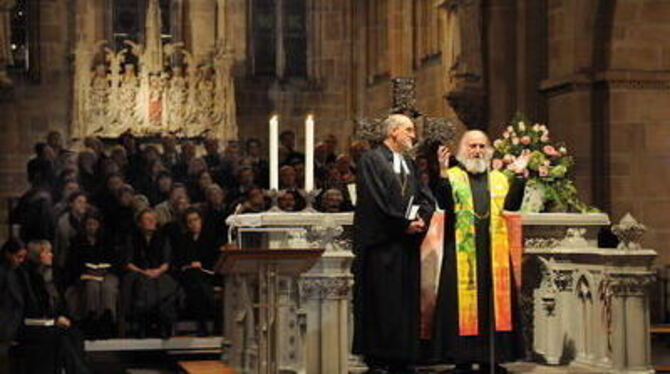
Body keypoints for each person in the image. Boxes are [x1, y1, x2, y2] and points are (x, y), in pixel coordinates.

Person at [431, 130, 529, 374]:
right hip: (462, 251)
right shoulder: (452, 176)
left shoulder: (498, 178)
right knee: (461, 304)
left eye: (482, 146)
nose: (477, 151)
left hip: (493, 252)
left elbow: (512, 207)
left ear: (489, 150)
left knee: (492, 305)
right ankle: (462, 357)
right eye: (472, 146)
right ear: (462, 150)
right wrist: (441, 173)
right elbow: (443, 206)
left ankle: (491, 357)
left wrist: (518, 175)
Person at [352, 114, 434, 374]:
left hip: (405, 246)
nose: (413, 135)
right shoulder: (372, 159)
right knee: (381, 301)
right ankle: (378, 357)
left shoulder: (408, 162)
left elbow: (423, 196)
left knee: (404, 302)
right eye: (409, 130)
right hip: (382, 245)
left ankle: (402, 355)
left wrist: (421, 218)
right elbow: (375, 201)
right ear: (394, 132)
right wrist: (402, 224)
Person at [15, 240, 92, 373]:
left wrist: (62, 316)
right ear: (38, 255)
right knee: (60, 337)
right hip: (32, 324)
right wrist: (55, 319)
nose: (51, 255)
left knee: (75, 334)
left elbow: (59, 302)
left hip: (51, 321)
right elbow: (34, 307)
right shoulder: (28, 276)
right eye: (47, 252)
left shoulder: (52, 274)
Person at [121, 209, 178, 338]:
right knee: (141, 284)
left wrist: (157, 271)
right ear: (140, 223)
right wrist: (143, 271)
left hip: (158, 272)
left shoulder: (163, 238)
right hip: (138, 272)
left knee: (165, 284)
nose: (152, 221)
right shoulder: (132, 238)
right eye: (147, 219)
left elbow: (166, 261)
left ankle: (163, 323)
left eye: (153, 219)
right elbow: (128, 262)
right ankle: (143, 323)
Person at [172, 208, 220, 336]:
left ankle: (203, 324)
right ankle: (209, 322)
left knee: (199, 286)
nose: (194, 223)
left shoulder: (210, 238)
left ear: (201, 221)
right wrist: (190, 265)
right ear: (187, 224)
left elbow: (215, 259)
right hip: (189, 275)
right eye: (190, 221)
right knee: (195, 283)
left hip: (207, 273)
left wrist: (202, 264)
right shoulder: (183, 240)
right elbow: (179, 260)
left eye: (196, 220)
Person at [0, 239, 27, 374]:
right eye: (18, 257)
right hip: (5, 325)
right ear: (8, 254)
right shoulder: (3, 273)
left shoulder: (16, 272)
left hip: (12, 323)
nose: (21, 260)